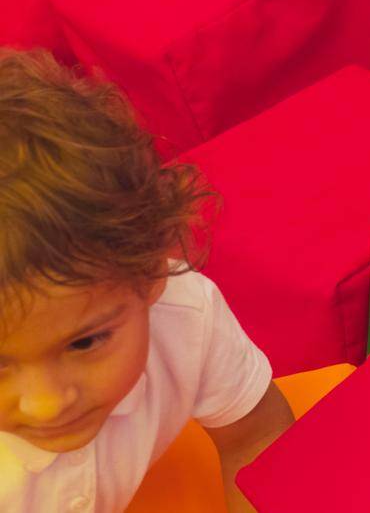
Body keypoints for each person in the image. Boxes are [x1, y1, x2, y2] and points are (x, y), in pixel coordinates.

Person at [0, 49, 292, 513]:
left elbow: (256, 436)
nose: (46, 404)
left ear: (152, 270)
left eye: (85, 342)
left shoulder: (185, 318)